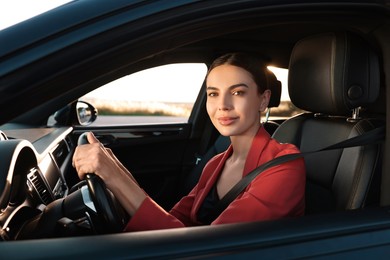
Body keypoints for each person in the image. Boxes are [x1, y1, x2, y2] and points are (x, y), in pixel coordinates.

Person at [72, 52, 306, 232]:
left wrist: (114, 176)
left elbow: (213, 247)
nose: (222, 104)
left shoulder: (283, 166)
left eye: (237, 92)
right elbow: (173, 221)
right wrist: (114, 169)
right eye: (213, 93)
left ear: (263, 100)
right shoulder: (215, 164)